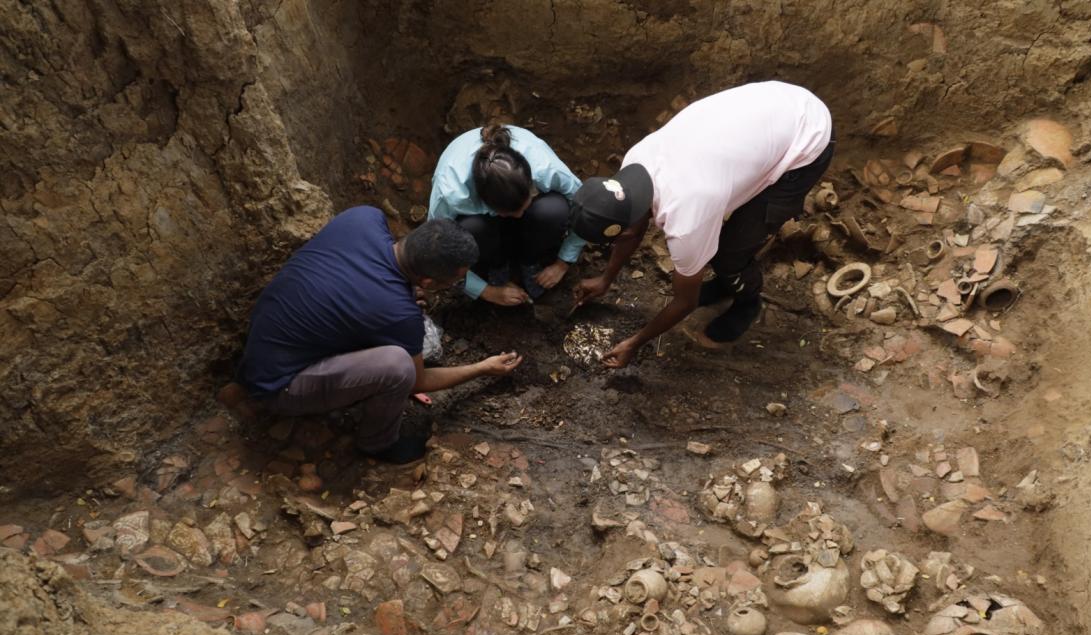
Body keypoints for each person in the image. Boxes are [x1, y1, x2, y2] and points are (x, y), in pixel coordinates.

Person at [568, 81, 835, 368]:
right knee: (728, 233)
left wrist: (634, 343)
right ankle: (726, 283)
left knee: (730, 253)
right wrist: (606, 279)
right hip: (772, 108)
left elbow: (686, 302)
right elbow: (633, 226)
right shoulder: (635, 164)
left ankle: (747, 303)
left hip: (806, 138)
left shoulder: (685, 219)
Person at [237, 206, 523, 467]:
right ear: (428, 282)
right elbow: (417, 381)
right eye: (454, 281)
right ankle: (378, 443)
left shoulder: (363, 217)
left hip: (264, 342)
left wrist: (405, 293)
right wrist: (482, 368)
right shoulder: (400, 314)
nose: (456, 284)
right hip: (278, 385)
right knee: (397, 366)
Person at [428, 124, 588, 306]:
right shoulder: (450, 191)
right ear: (485, 203)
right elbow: (436, 252)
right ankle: (496, 266)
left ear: (531, 182)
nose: (519, 216)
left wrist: (563, 263)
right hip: (481, 225)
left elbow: (586, 210)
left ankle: (530, 261)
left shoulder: (545, 169)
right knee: (473, 228)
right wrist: (486, 291)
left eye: (524, 207)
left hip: (530, 215)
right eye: (510, 213)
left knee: (553, 210)